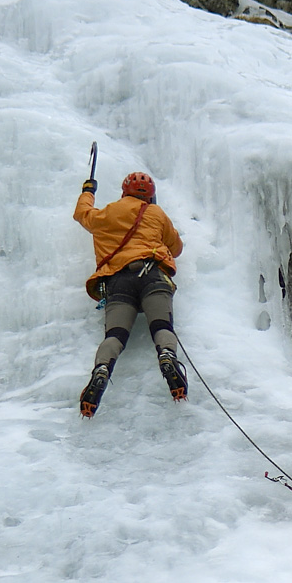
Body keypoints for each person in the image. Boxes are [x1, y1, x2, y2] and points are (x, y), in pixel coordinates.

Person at [74, 171, 187, 418]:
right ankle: (167, 356)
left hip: (118, 281)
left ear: (124, 191)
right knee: (162, 326)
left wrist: (88, 191)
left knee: (115, 335)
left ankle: (102, 369)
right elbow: (176, 248)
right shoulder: (156, 213)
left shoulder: (110, 212)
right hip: (152, 275)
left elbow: (82, 215)